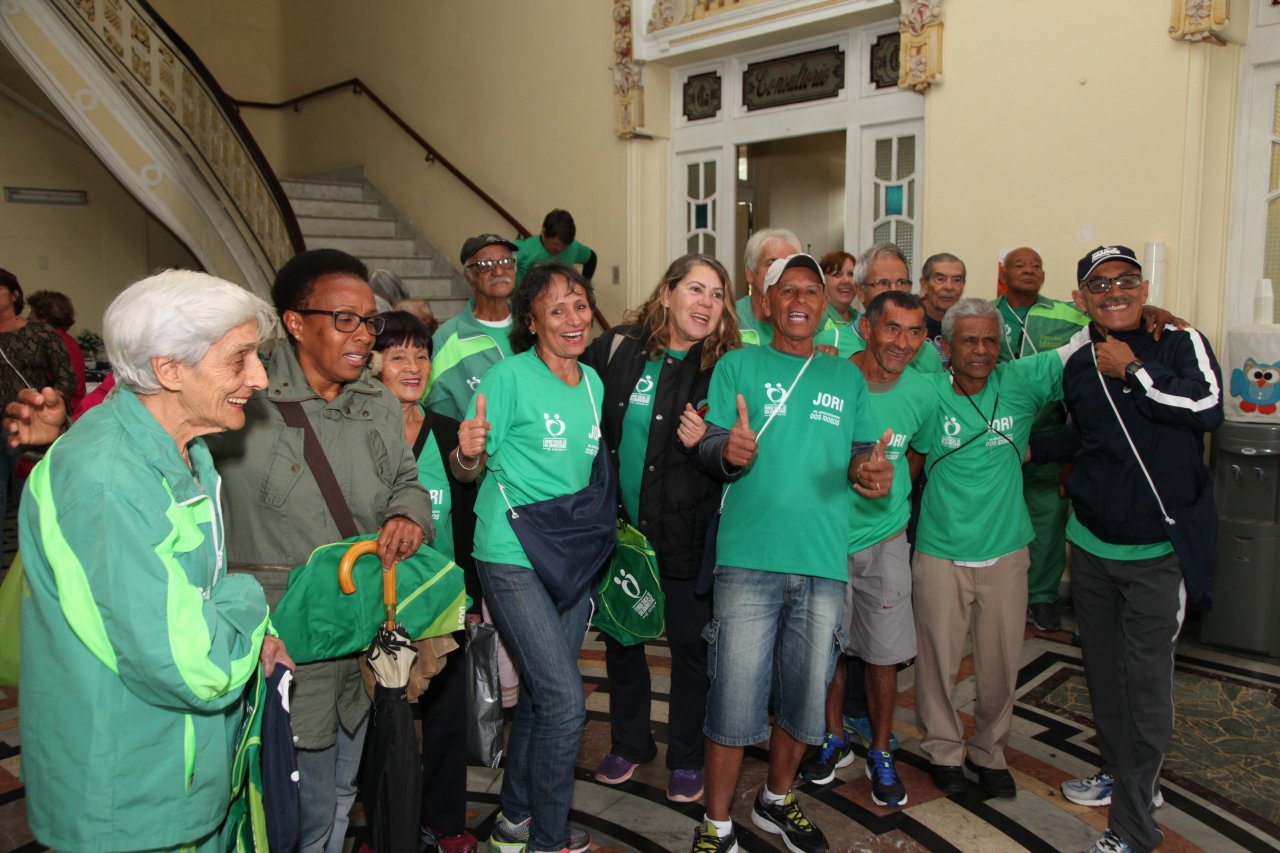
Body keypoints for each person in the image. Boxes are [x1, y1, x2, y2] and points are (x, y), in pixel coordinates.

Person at [16, 270, 292, 853]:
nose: (260, 378)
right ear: (169, 370)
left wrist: (231, 624)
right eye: (239, 359)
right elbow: (197, 668)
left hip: (178, 768)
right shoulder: (110, 481)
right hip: (128, 790)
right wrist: (248, 601)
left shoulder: (182, 450)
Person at [207, 248, 433, 853]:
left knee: (341, 789)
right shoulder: (242, 397)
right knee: (297, 808)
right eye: (344, 320)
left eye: (369, 321)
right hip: (283, 639)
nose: (364, 336)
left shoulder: (376, 401)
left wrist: (409, 514)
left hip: (360, 629)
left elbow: (407, 481)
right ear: (295, 323)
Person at [691, 253, 893, 853]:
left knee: (805, 702)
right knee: (733, 699)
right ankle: (716, 825)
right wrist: (729, 451)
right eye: (788, 290)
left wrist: (867, 470)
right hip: (747, 561)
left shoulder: (845, 378)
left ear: (826, 304)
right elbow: (710, 444)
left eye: (812, 291)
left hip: (821, 563)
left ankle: (776, 800)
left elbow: (859, 452)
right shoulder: (737, 364)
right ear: (766, 301)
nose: (800, 300)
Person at [1032, 245, 1223, 853]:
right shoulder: (1077, 361)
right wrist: (1023, 447)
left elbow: (1207, 410)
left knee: (1145, 687)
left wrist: (1134, 370)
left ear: (1143, 287)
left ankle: (1135, 826)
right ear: (1081, 297)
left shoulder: (1180, 342)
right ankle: (1120, 773)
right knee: (1104, 675)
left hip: (1158, 553)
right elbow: (1086, 437)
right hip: (1092, 547)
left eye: (1126, 280)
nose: (1114, 291)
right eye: (1100, 284)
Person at [453, 263, 604, 853]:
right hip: (512, 551)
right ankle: (549, 839)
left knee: (546, 697)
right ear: (532, 322)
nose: (573, 318)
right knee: (565, 701)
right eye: (556, 309)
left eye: (580, 305)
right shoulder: (507, 377)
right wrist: (467, 455)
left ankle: (514, 818)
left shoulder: (593, 384)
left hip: (570, 558)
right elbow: (468, 469)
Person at [581, 253, 741, 803]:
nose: (706, 303)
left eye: (717, 295)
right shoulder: (619, 348)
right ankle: (630, 742)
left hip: (688, 538)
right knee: (623, 639)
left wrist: (709, 444)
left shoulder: (724, 368)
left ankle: (687, 756)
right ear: (667, 293)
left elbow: (735, 455)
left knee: (691, 651)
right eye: (696, 289)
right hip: (623, 534)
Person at [910, 298, 1074, 800]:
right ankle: (943, 750)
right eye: (969, 340)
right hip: (940, 551)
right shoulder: (927, 391)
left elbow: (1082, 350)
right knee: (937, 663)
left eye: (988, 339)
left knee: (1001, 664)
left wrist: (1153, 318)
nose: (980, 350)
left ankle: (989, 752)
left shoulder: (1021, 381)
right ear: (946, 346)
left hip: (1006, 551)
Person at [800, 292, 936, 809]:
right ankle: (833, 737)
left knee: (884, 654)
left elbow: (916, 453)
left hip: (885, 541)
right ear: (867, 327)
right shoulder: (831, 375)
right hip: (825, 538)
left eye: (915, 332)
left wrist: (891, 499)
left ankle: (880, 750)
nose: (903, 342)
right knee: (829, 647)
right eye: (892, 328)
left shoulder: (923, 392)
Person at [371, 311, 478, 853]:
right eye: (397, 356)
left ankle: (444, 822)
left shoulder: (447, 430)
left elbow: (468, 516)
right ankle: (383, 827)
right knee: (377, 719)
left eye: (421, 355)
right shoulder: (359, 432)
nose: (412, 367)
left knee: (447, 717)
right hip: (376, 602)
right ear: (372, 364)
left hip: (441, 599)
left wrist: (472, 596)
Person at [993, 247, 1089, 632]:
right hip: (994, 434)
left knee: (1048, 520)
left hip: (1049, 436)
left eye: (1036, 265)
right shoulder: (985, 313)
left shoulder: (1067, 314)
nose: (1029, 270)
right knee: (993, 518)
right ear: (1004, 273)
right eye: (1020, 265)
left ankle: (1043, 596)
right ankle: (995, 595)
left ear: (1044, 275)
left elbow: (1109, 323)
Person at [0, 269, 75, 565]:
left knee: (30, 503)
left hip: (30, 430)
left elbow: (67, 378)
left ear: (15, 294)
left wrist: (46, 405)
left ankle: (33, 571)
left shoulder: (39, 333)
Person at [426, 234, 519, 421]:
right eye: (486, 265)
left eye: (506, 261)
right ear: (468, 277)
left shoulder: (535, 325)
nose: (498, 271)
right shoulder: (447, 339)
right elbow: (433, 410)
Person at [734, 228, 802, 346]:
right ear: (750, 274)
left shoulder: (802, 321)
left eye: (788, 265)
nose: (780, 272)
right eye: (771, 264)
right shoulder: (729, 317)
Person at [27, 289, 86, 412]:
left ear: (44, 317)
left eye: (32, 311)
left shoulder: (52, 342)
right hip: (76, 406)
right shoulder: (68, 340)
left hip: (63, 409)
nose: (28, 317)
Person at [514, 209, 598, 284]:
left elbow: (591, 258)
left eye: (565, 246)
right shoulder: (524, 248)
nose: (560, 249)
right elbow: (506, 261)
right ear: (543, 232)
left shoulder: (573, 247)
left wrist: (584, 287)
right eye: (555, 244)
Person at [918, 253, 967, 367]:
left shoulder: (968, 321)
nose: (949, 287)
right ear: (924, 284)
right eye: (940, 279)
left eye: (956, 280)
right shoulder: (908, 318)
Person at [813, 250, 859, 357]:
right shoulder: (816, 319)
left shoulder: (859, 319)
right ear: (822, 281)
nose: (846, 280)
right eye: (837, 274)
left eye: (851, 274)